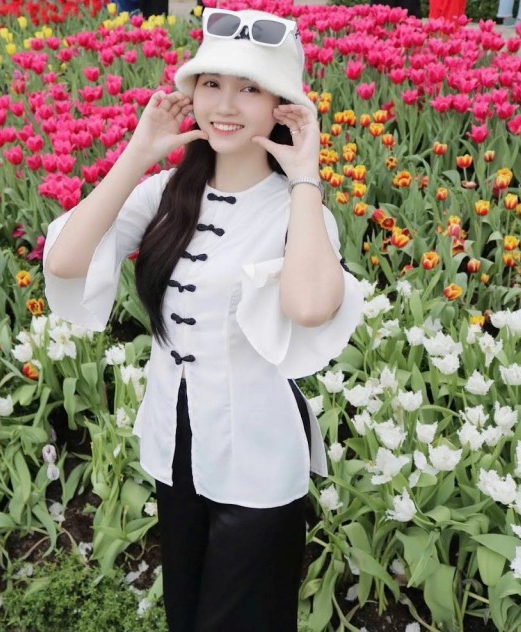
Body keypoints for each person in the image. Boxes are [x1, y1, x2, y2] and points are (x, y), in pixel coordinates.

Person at [42, 8, 365, 630]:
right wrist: (140, 151)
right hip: (176, 444)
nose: (226, 104)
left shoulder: (296, 210)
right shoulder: (165, 194)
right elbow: (65, 260)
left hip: (259, 454)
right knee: (185, 615)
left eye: (250, 89)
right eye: (212, 83)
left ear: (281, 106)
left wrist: (306, 176)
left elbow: (310, 307)